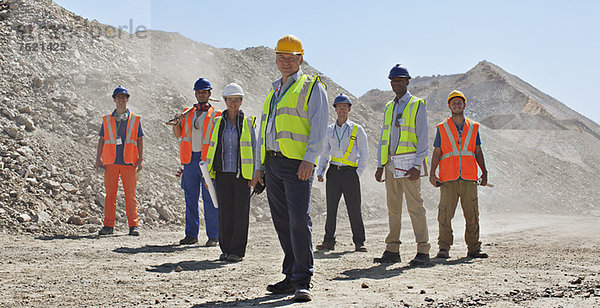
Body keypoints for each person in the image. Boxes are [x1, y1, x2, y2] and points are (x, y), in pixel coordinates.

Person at [250, 34, 328, 302]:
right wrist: (259, 167)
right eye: (280, 57)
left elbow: (318, 126)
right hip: (272, 164)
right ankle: (290, 274)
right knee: (282, 221)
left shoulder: (311, 86)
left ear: (300, 59)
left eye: (290, 57)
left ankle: (303, 279)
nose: (285, 62)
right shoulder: (273, 92)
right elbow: (265, 132)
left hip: (297, 165)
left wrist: (310, 159)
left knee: (298, 219)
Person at [374, 64, 431, 266]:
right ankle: (392, 249)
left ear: (407, 81)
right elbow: (384, 137)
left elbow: (423, 138)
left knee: (415, 207)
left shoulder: (417, 104)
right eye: (393, 80)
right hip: (391, 165)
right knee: (393, 209)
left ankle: (423, 250)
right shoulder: (389, 107)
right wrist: (381, 164)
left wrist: (417, 165)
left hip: (409, 166)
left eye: (400, 80)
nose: (396, 83)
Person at [429, 90, 489, 259]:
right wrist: (433, 173)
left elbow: (478, 151)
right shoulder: (442, 128)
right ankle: (444, 248)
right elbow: (437, 152)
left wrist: (484, 172)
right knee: (445, 214)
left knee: (472, 214)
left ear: (464, 105)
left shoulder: (473, 127)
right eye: (453, 103)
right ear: (449, 106)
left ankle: (474, 248)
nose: (456, 105)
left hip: (469, 178)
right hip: (448, 178)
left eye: (459, 102)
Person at [205, 83, 256, 262]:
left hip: (242, 175)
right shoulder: (218, 122)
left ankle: (237, 251)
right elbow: (212, 147)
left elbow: (254, 148)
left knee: (240, 213)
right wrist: (209, 173)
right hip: (222, 173)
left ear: (241, 101)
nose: (232, 103)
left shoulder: (248, 123)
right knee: (224, 212)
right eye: (229, 100)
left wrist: (256, 174)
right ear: (225, 101)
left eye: (236, 100)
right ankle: (225, 249)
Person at [315, 93, 368, 252]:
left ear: (349, 109)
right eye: (339, 107)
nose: (342, 110)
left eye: (344, 107)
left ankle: (359, 242)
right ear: (335, 110)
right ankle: (329, 241)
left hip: (350, 173)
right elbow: (324, 152)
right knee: (331, 208)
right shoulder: (329, 130)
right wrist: (320, 170)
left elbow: (364, 154)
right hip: (333, 172)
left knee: (354, 208)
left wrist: (356, 173)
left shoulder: (357, 129)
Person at [172, 78, 221, 247]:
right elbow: (178, 134)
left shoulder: (216, 115)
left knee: (210, 198)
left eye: (204, 92)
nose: (201, 95)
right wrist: (177, 122)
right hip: (190, 160)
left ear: (209, 94)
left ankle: (214, 235)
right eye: (199, 92)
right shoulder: (187, 113)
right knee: (190, 198)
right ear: (195, 93)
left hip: (207, 161)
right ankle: (191, 235)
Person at [95, 86, 143, 236]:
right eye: (118, 97)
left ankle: (133, 225)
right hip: (111, 162)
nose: (121, 100)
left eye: (124, 97)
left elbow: (140, 139)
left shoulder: (135, 119)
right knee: (110, 195)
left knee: (130, 195)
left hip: (129, 162)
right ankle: (108, 225)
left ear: (127, 99)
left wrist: (140, 159)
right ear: (114, 100)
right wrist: (98, 159)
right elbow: (102, 140)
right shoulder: (107, 120)